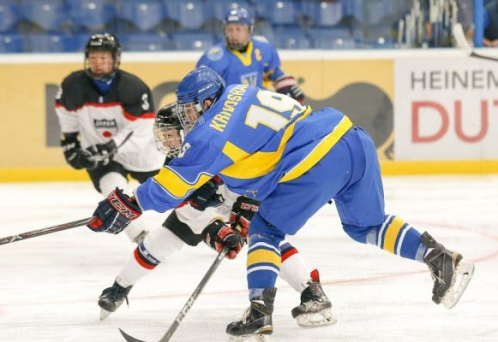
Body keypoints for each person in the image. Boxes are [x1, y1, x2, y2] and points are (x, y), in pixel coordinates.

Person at [87, 66, 475, 340]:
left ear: (205, 104)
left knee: (266, 230)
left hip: (313, 158)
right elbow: (261, 156)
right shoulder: (240, 92)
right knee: (366, 225)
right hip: (350, 138)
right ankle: (439, 258)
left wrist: (126, 202)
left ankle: (259, 313)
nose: (188, 118)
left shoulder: (210, 130)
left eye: (190, 109)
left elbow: (170, 187)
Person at [95, 103, 336, 328]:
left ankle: (310, 291)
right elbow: (186, 208)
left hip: (241, 199)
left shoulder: (212, 141)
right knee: (161, 240)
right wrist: (216, 228)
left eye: (170, 133)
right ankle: (119, 288)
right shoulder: (177, 159)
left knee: (265, 239)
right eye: (164, 134)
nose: (166, 140)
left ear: (186, 130)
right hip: (205, 211)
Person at [55, 33, 166, 243]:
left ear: (115, 59)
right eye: (94, 57)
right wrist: (70, 143)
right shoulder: (72, 86)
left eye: (104, 57)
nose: (98, 63)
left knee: (170, 190)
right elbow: (67, 116)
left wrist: (110, 146)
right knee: (111, 187)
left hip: (141, 153)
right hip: (101, 153)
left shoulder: (133, 87)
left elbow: (141, 130)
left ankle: (207, 225)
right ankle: (141, 236)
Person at [197, 7, 304, 103]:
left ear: (249, 30)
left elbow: (274, 73)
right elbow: (202, 91)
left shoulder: (263, 47)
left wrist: (287, 84)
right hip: (229, 112)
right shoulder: (212, 58)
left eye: (239, 29)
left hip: (260, 104)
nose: (234, 34)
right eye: (230, 29)